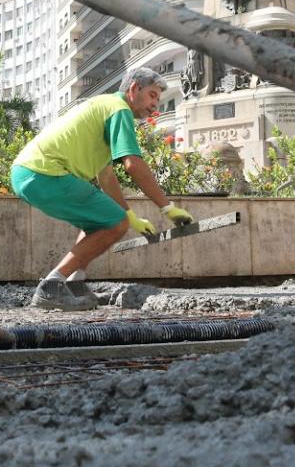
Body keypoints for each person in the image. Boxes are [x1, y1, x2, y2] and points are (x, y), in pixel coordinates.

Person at [11, 68, 195, 310]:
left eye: (157, 100)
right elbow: (133, 164)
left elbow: (106, 176)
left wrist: (130, 216)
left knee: (101, 221)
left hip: (29, 174)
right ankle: (51, 287)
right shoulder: (119, 109)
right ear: (133, 89)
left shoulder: (105, 107)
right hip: (44, 173)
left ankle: (74, 283)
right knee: (114, 223)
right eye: (152, 95)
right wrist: (166, 207)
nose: (154, 106)